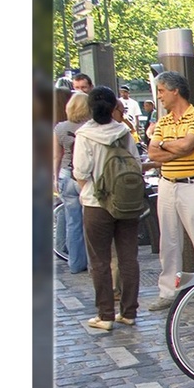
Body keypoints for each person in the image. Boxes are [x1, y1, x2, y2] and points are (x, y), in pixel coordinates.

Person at [146, 70, 194, 312]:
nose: (159, 97)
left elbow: (188, 145)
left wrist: (165, 145)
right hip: (167, 184)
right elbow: (152, 153)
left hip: (193, 184)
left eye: (161, 91)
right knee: (168, 241)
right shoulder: (164, 121)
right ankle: (167, 291)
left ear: (175, 90)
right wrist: (173, 148)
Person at [71, 86, 141, 330]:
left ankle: (105, 315)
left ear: (90, 108)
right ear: (114, 108)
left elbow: (80, 171)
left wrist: (87, 190)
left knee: (100, 261)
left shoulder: (85, 135)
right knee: (128, 258)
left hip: (96, 202)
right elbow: (136, 165)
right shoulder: (124, 132)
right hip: (127, 201)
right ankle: (129, 311)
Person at [54, 91, 91, 273]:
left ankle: (76, 264)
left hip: (66, 175)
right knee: (90, 222)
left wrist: (55, 178)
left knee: (72, 222)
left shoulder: (60, 128)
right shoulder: (91, 127)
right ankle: (93, 263)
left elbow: (57, 155)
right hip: (86, 177)